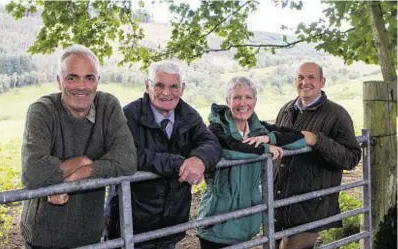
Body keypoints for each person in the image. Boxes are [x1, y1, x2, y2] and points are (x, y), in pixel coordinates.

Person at [20, 44, 138, 249]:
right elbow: (33, 170)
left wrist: (81, 172)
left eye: (89, 78)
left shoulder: (108, 106)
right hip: (42, 237)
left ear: (97, 82)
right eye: (72, 78)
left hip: (89, 236)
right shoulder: (42, 111)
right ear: (59, 81)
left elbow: (127, 160)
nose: (81, 86)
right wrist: (81, 161)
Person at [106, 60, 222, 249]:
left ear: (182, 88)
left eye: (173, 86)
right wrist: (178, 164)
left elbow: (210, 142)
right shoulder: (129, 115)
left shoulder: (188, 114)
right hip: (133, 225)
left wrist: (199, 160)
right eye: (159, 85)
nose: (166, 93)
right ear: (147, 86)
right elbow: (127, 153)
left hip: (170, 223)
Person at [197, 76, 307, 248]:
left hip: (248, 222)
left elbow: (300, 139)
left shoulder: (258, 128)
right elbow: (231, 151)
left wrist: (269, 137)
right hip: (217, 224)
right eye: (237, 97)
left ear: (255, 101)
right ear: (228, 101)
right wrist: (265, 149)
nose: (243, 103)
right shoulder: (215, 129)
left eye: (248, 97)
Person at [274, 62, 361, 249]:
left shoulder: (337, 114)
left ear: (322, 81)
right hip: (278, 200)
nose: (305, 82)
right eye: (301, 77)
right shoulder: (286, 109)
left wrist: (317, 140)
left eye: (311, 77)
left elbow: (351, 157)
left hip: (310, 204)